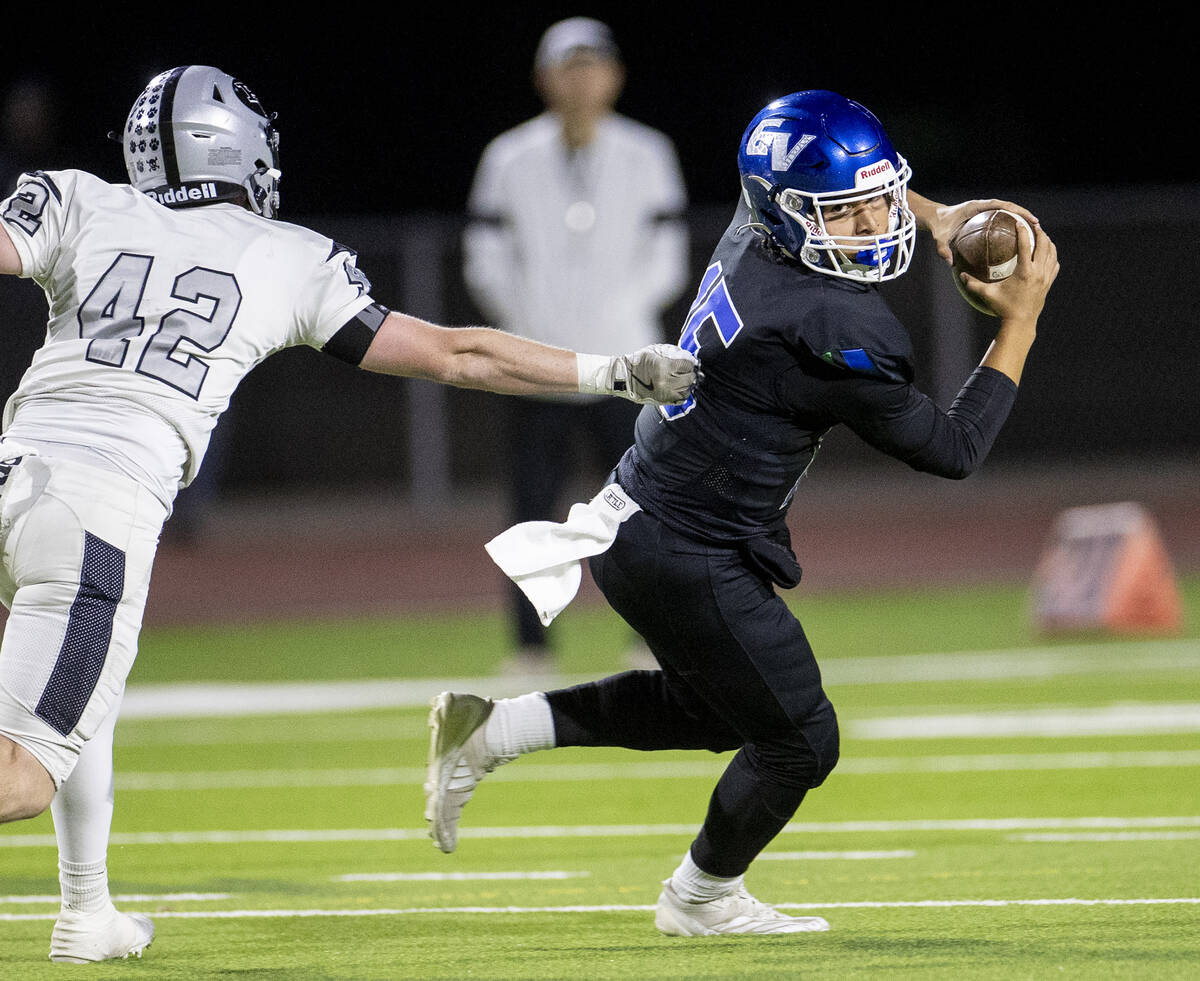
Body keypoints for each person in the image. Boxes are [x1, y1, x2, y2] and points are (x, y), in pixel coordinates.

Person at [0, 65, 698, 963]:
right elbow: (457, 354)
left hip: (13, 469)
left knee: (75, 702)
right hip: (96, 511)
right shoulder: (287, 254)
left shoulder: (78, 200)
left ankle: (87, 911)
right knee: (21, 773)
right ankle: (86, 908)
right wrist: (608, 371)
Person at [424, 90, 1059, 935]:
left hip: (639, 515)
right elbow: (952, 450)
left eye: (880, 197)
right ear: (793, 216)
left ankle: (493, 731)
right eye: (847, 211)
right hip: (689, 550)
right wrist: (1020, 324)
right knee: (802, 739)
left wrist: (936, 214)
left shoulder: (751, 229)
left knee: (717, 708)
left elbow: (827, 191)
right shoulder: (830, 323)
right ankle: (700, 897)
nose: (876, 223)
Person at [462, 17, 690, 674]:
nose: (583, 78)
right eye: (570, 65)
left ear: (615, 76)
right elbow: (485, 257)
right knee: (532, 511)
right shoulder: (508, 156)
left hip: (627, 363)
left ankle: (652, 640)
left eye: (594, 65)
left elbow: (666, 257)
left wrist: (616, 319)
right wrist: (531, 324)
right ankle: (531, 651)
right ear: (544, 77)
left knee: (642, 508)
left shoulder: (648, 152)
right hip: (539, 366)